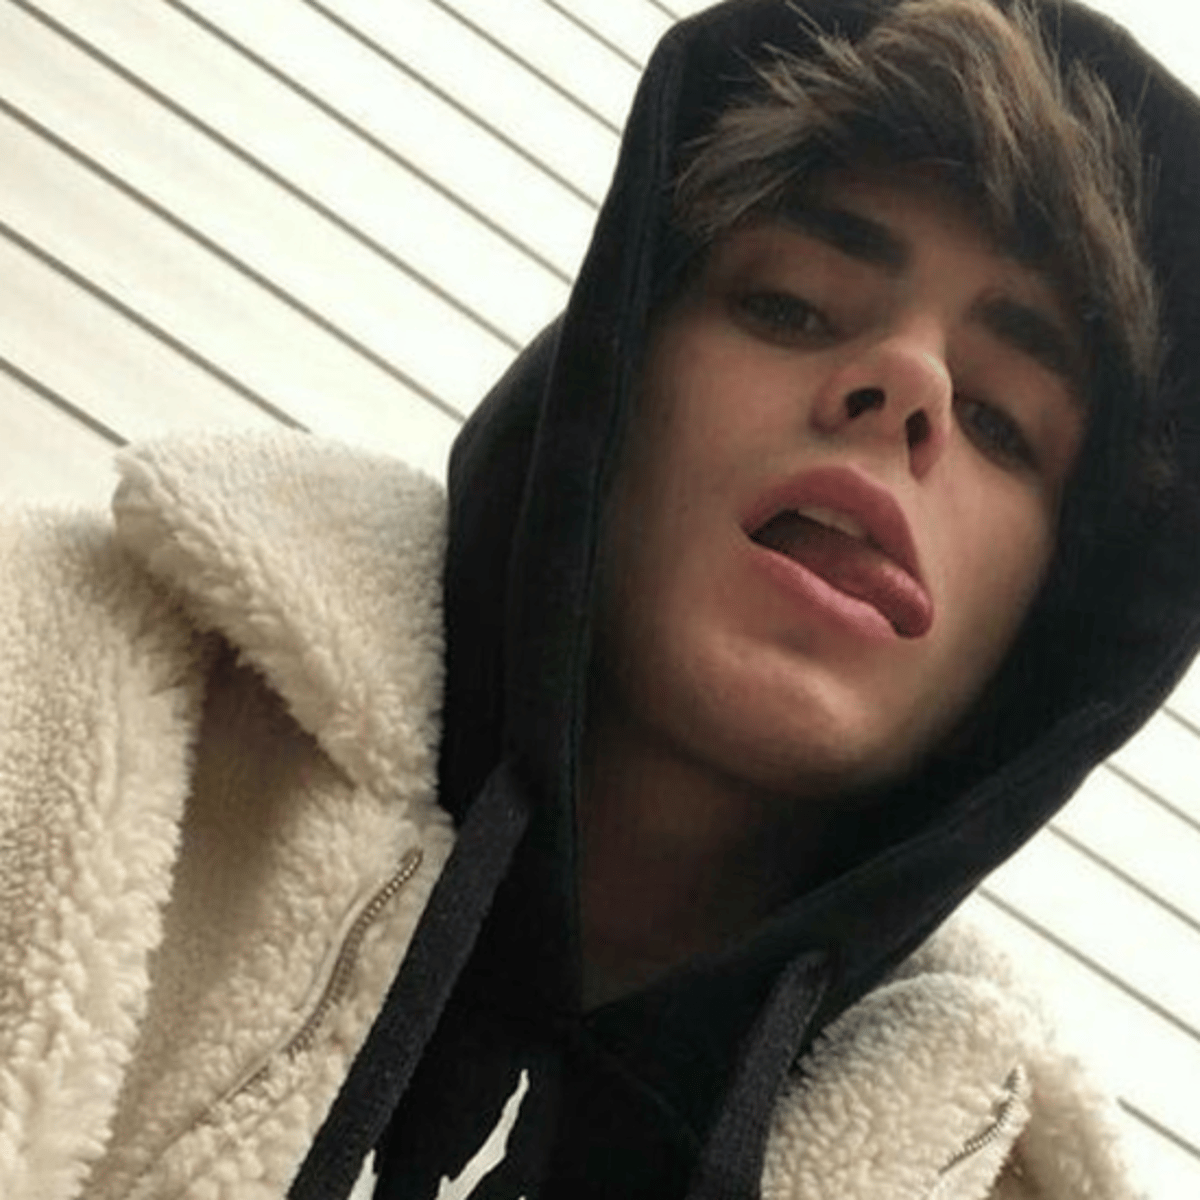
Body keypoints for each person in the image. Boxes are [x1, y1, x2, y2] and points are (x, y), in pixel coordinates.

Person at [2, 0, 1198, 1197]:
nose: (908, 382)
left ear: (1049, 644)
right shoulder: (45, 695)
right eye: (789, 305)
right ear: (609, 381)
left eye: (999, 420)